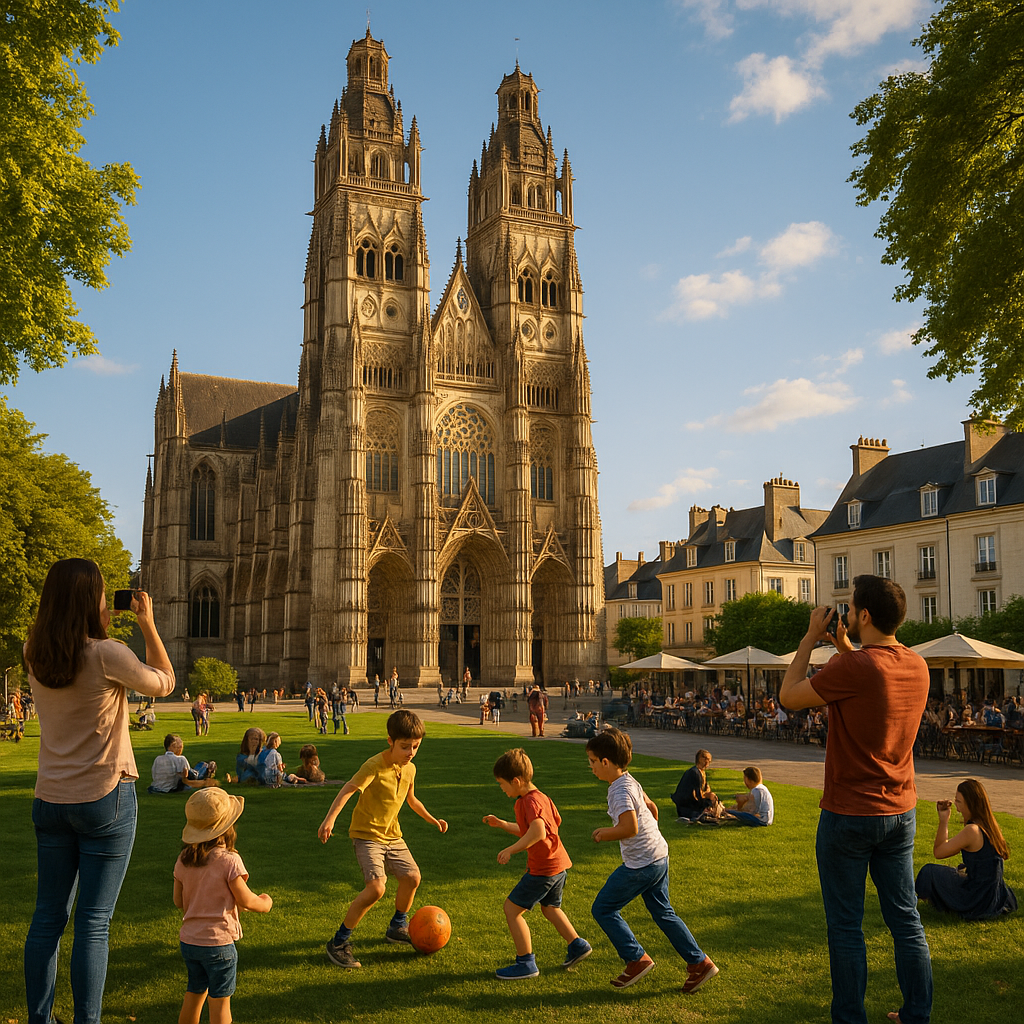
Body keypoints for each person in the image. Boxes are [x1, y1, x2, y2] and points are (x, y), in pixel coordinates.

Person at [23, 559, 175, 1024]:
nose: (110, 603)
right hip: (104, 797)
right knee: (92, 923)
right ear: (89, 601)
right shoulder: (107, 653)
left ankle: (40, 1019)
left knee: (47, 918)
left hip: (49, 798)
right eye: (105, 596)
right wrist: (148, 625)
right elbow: (165, 681)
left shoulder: (33, 650)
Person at [780, 576, 932, 1024]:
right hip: (900, 810)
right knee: (906, 921)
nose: (844, 614)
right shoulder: (916, 665)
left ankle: (850, 1017)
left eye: (849, 609)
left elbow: (789, 697)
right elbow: (875, 680)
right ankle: (917, 1014)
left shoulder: (857, 668)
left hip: (849, 812)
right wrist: (847, 647)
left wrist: (810, 639)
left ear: (864, 615)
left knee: (846, 927)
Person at [586, 728, 718, 994]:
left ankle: (636, 959)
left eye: (592, 762)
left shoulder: (618, 791)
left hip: (641, 864)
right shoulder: (630, 781)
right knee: (663, 913)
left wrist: (604, 833)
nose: (591, 768)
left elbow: (630, 827)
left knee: (603, 908)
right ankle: (699, 963)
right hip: (659, 855)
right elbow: (652, 808)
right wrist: (651, 834)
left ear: (605, 762)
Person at [318, 710, 448, 968]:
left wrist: (432, 819)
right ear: (390, 741)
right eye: (404, 746)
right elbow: (348, 790)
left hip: (393, 835)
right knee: (376, 888)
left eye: (415, 747)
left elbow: (410, 799)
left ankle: (398, 926)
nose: (410, 752)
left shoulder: (409, 768)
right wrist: (330, 819)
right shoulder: (374, 765)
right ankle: (339, 942)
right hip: (367, 836)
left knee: (412, 878)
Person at [483, 748, 591, 978]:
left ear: (516, 781)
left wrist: (511, 850)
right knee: (550, 908)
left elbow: (538, 832)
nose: (501, 789)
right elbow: (531, 831)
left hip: (544, 870)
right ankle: (577, 945)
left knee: (512, 910)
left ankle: (526, 963)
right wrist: (503, 824)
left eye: (502, 784)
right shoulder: (541, 798)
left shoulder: (529, 802)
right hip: (558, 865)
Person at [173, 788, 273, 1024]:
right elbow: (246, 901)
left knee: (194, 993)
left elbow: (179, 901)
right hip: (218, 945)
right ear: (227, 827)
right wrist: (265, 902)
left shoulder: (183, 859)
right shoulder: (229, 861)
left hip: (189, 942)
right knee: (219, 1003)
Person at [915, 779, 1017, 921]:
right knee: (953, 872)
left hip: (977, 897)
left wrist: (944, 820)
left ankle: (936, 901)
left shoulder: (972, 830)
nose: (956, 805)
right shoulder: (990, 826)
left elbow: (939, 852)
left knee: (929, 871)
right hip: (995, 894)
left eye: (958, 801)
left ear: (971, 804)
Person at [150, 734, 218, 793]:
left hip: (157, 788)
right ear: (173, 746)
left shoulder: (157, 759)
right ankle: (209, 768)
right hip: (173, 788)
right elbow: (190, 777)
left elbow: (154, 775)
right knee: (202, 766)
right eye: (180, 747)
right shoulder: (180, 759)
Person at [670, 749, 719, 822]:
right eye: (706, 760)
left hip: (691, 803)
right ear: (700, 759)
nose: (707, 763)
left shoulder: (701, 772)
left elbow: (705, 790)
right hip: (686, 806)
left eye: (709, 761)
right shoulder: (694, 773)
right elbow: (698, 794)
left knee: (712, 798)